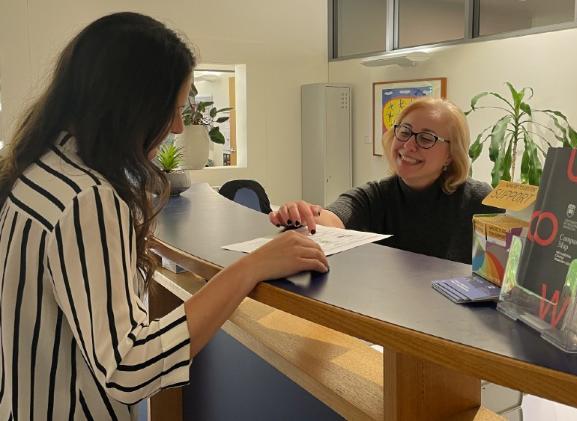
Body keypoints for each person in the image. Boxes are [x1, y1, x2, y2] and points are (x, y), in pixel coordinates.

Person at [0, 13, 327, 420]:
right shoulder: (89, 198)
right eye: (171, 109)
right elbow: (130, 367)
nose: (175, 126)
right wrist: (250, 268)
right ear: (128, 103)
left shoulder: (36, 170)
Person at [269, 97, 497, 264]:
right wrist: (305, 214)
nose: (408, 145)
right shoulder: (374, 196)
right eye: (405, 132)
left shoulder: (480, 200)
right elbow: (333, 218)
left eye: (426, 138)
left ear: (451, 154)